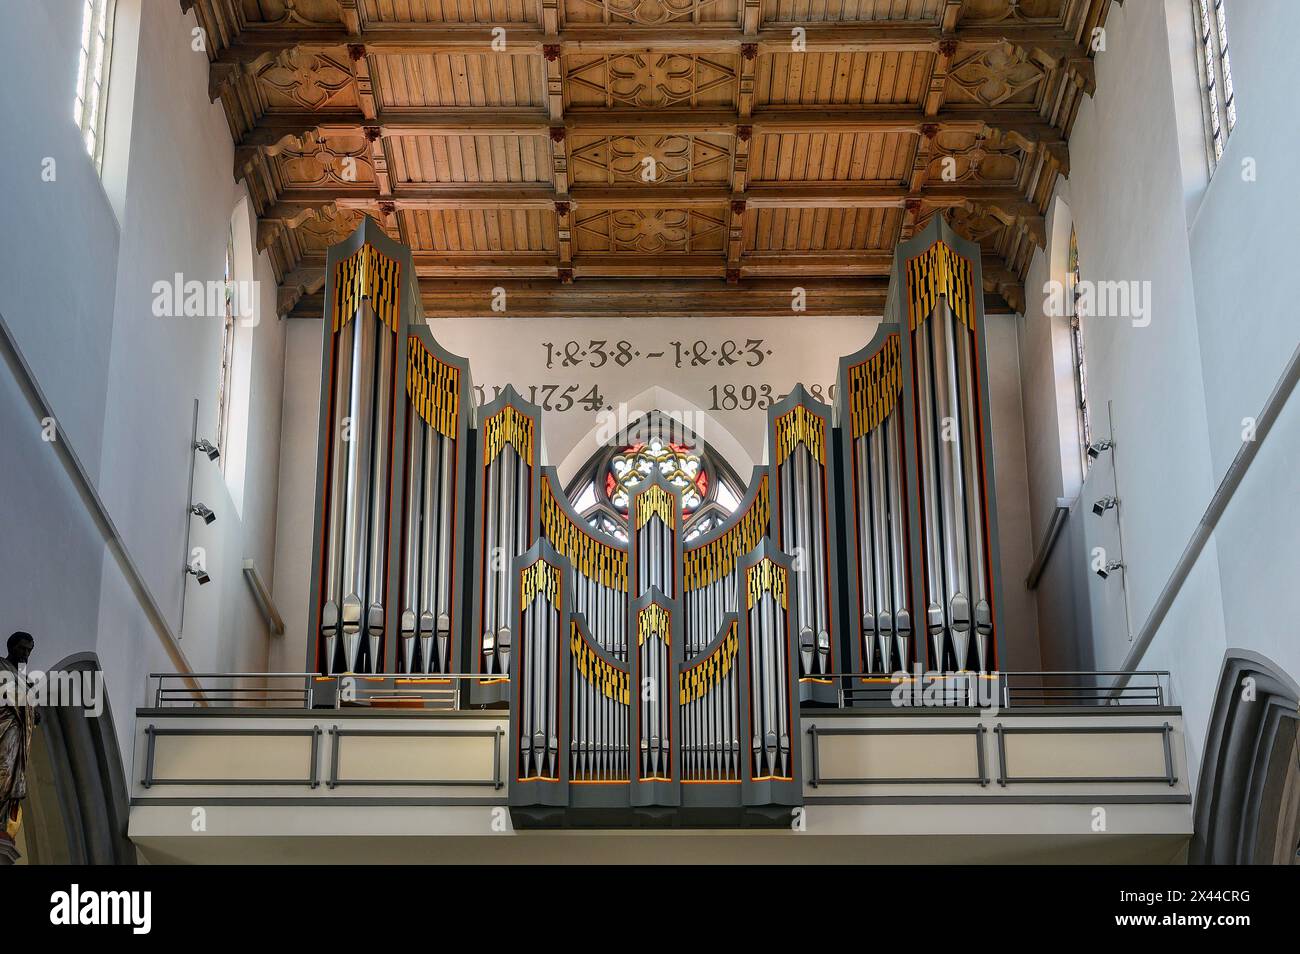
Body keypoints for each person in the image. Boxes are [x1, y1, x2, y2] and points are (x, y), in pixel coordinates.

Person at [0, 632, 35, 846]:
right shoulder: (2, 668)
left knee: (10, 772)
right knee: (3, 768)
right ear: (11, 647)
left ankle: (2, 819)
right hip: (4, 726)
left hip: (18, 731)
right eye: (22, 649)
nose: (25, 654)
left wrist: (33, 712)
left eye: (29, 650)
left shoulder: (25, 679)